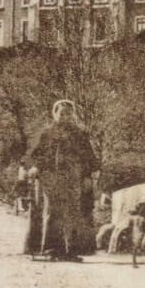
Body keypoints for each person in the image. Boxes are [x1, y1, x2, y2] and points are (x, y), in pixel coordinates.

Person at [27, 100, 99, 261]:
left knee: (74, 213)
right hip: (52, 179)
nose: (65, 117)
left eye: (68, 113)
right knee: (53, 212)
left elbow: (88, 158)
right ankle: (53, 250)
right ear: (54, 114)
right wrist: (36, 168)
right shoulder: (47, 134)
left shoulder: (79, 135)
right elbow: (37, 155)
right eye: (61, 113)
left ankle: (72, 251)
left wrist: (87, 176)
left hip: (74, 179)